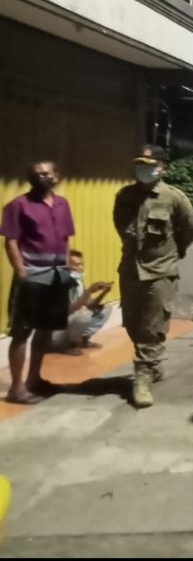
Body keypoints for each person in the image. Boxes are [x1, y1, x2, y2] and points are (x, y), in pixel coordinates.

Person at [113, 145, 193, 408]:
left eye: (150, 165)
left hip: (160, 271)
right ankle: (153, 364)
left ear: (163, 168)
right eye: (140, 164)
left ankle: (142, 377)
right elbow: (120, 225)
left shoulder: (174, 197)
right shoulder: (125, 196)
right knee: (132, 323)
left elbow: (189, 229)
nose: (144, 169)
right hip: (130, 270)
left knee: (152, 327)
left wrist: (173, 254)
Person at [1, 161, 76, 404]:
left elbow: (65, 239)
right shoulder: (18, 205)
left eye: (47, 173)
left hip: (57, 275)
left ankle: (34, 379)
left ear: (57, 175)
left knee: (46, 329)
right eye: (37, 174)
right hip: (32, 276)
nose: (43, 177)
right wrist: (21, 272)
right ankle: (16, 389)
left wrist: (67, 268)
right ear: (30, 179)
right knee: (22, 331)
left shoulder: (63, 204)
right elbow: (11, 241)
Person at [55, 250, 113, 355]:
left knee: (106, 309)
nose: (78, 268)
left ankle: (83, 340)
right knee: (84, 314)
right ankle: (69, 345)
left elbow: (90, 304)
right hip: (57, 331)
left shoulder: (79, 282)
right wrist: (89, 291)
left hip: (71, 322)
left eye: (80, 264)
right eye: (74, 265)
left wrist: (103, 293)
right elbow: (69, 310)